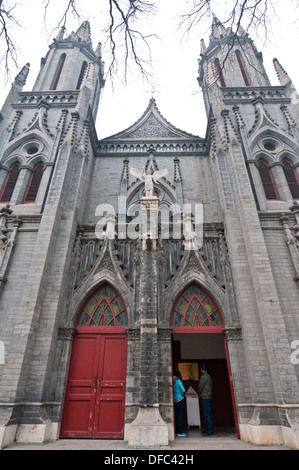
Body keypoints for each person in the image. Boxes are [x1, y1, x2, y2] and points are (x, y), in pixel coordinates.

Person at [197, 365, 213, 436]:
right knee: (208, 413)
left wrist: (198, 393)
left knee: (207, 414)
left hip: (205, 397)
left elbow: (200, 386)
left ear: (201, 369)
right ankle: (208, 428)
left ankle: (210, 430)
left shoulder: (203, 377)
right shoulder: (209, 376)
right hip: (209, 396)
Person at [173, 370, 186, 437]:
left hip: (174, 398)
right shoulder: (178, 381)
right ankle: (180, 431)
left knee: (175, 415)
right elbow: (183, 390)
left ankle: (175, 430)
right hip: (180, 398)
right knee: (180, 415)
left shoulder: (172, 380)